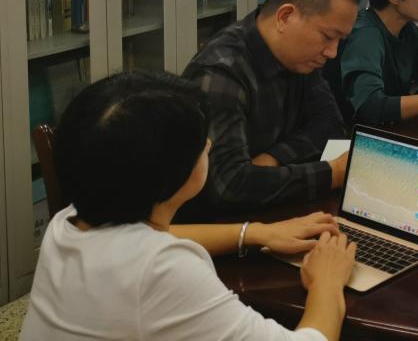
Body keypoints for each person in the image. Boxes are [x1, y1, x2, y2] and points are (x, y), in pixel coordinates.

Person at [21, 71, 356, 341]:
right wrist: (326, 283)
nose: (209, 145)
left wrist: (254, 233)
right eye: (200, 143)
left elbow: (156, 241)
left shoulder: (69, 221)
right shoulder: (164, 272)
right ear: (168, 175)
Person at [182, 0, 359, 216]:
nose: (332, 52)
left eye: (340, 40)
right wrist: (333, 173)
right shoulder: (221, 72)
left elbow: (330, 124)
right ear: (285, 17)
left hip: (270, 212)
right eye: (328, 37)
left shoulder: (299, 57)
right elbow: (230, 186)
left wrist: (273, 158)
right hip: (215, 227)